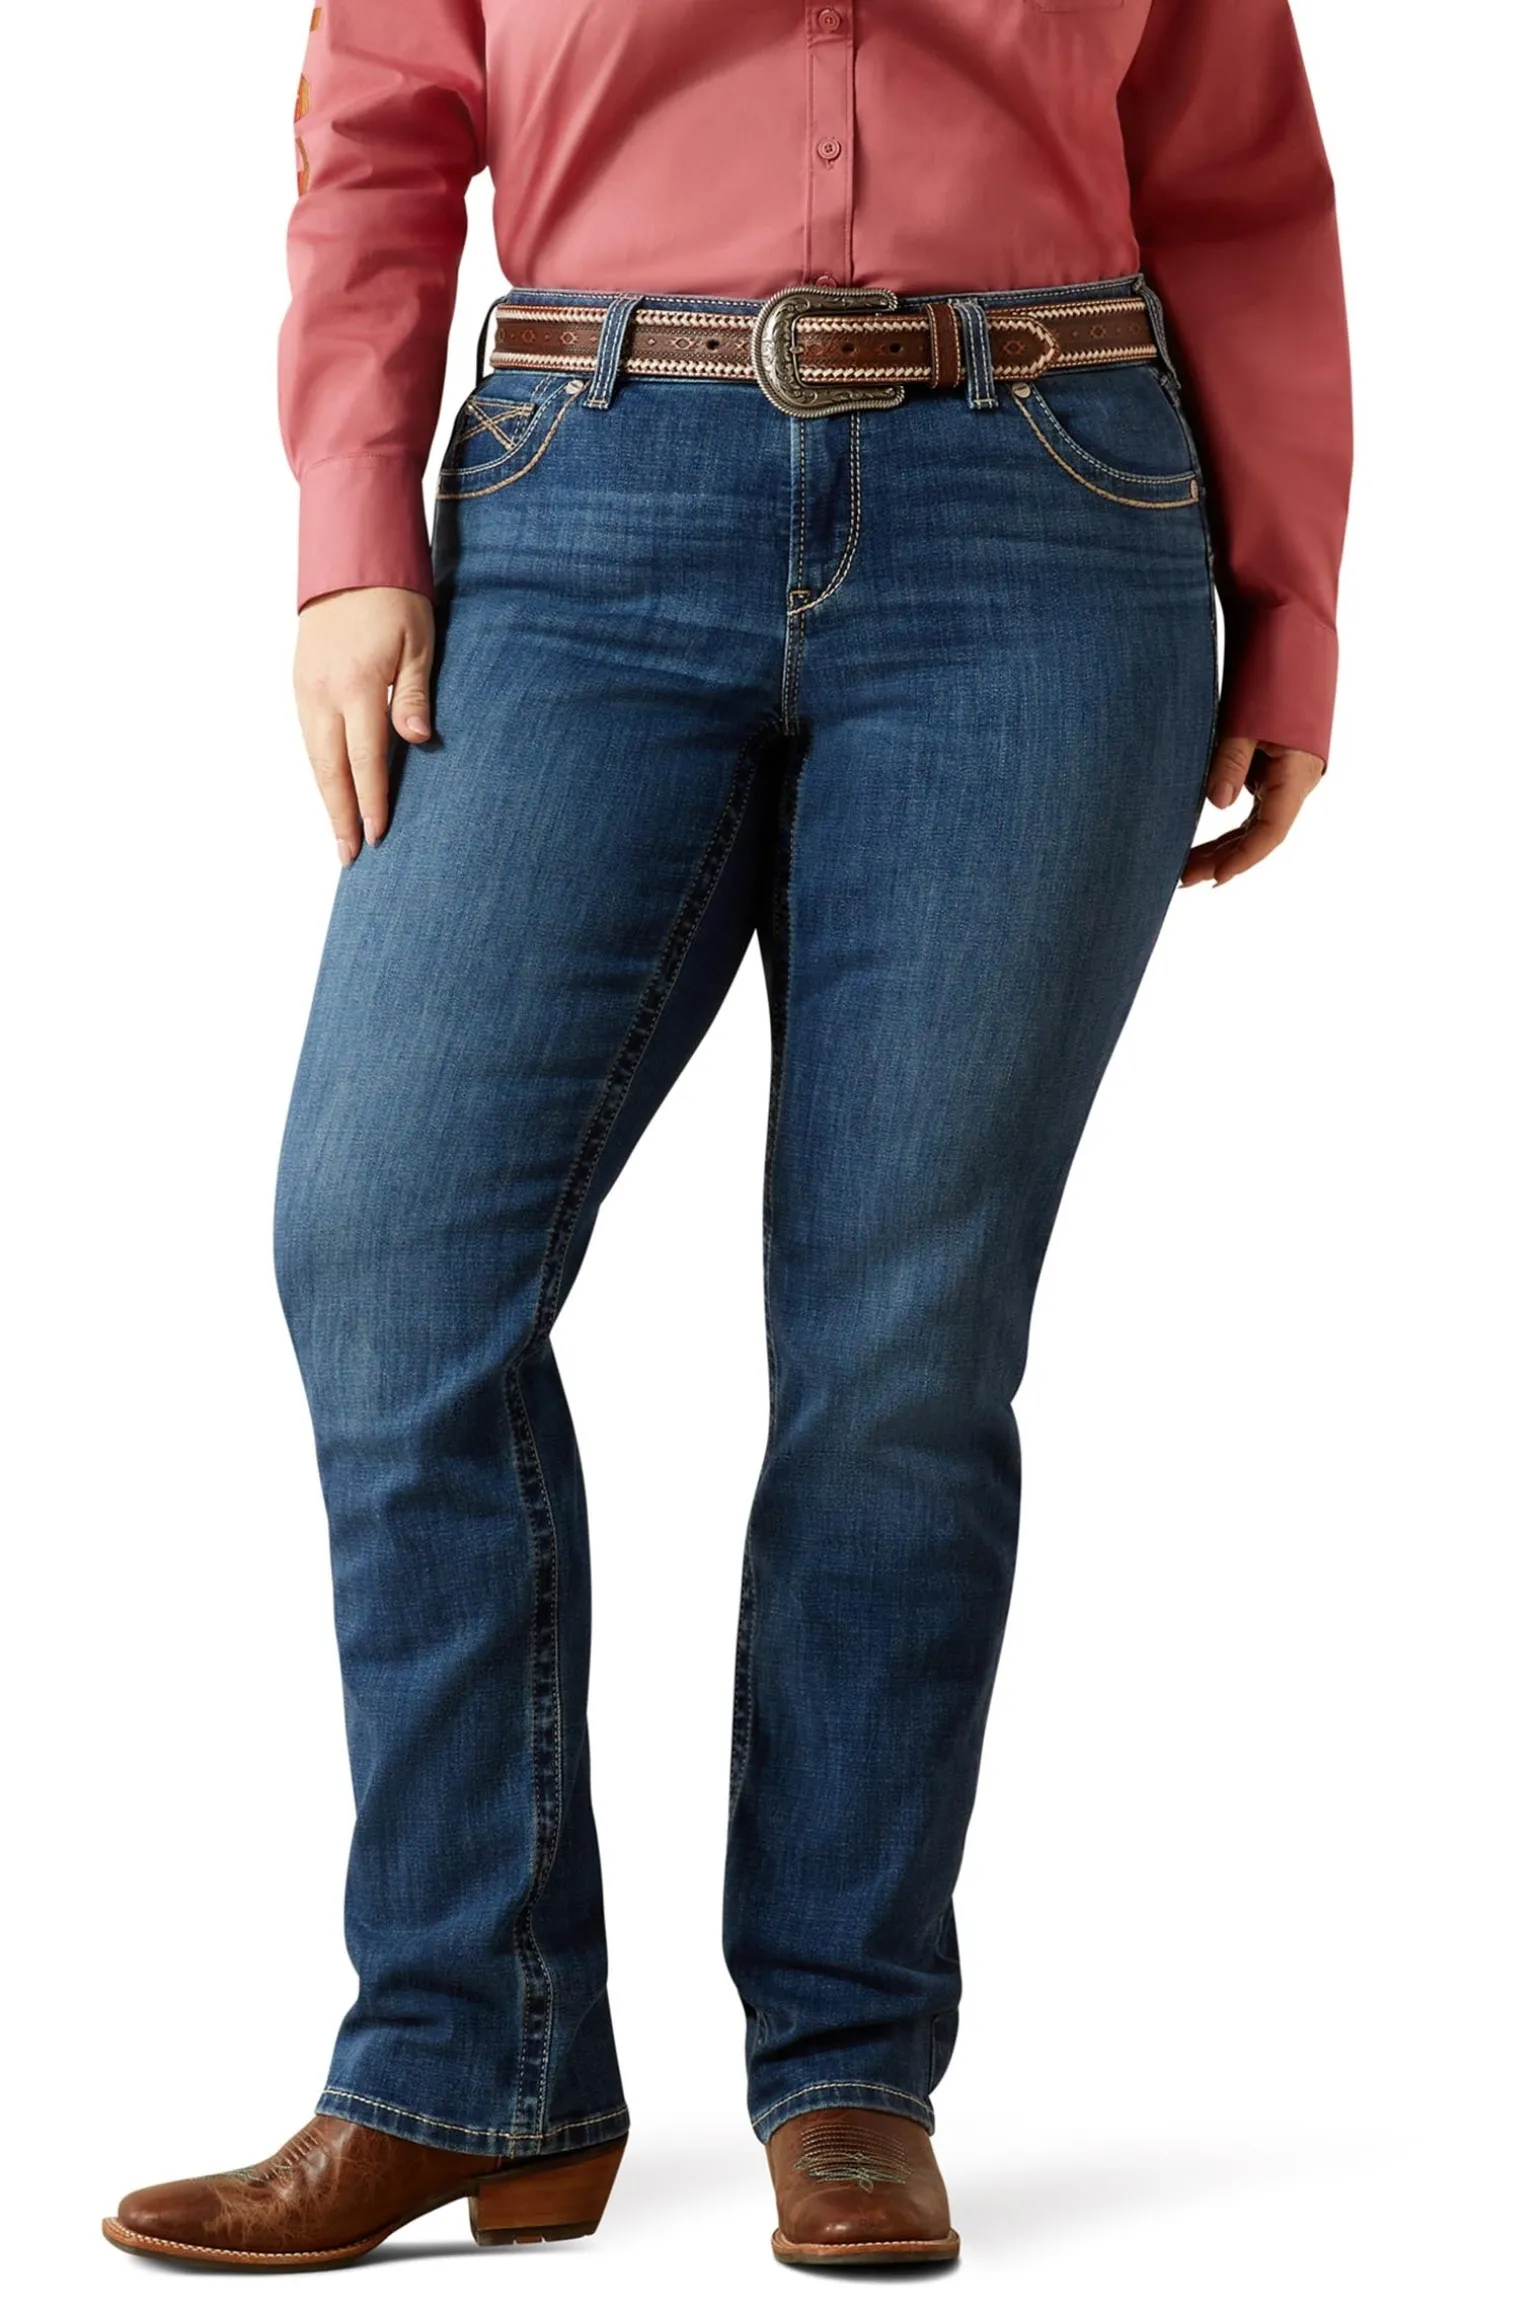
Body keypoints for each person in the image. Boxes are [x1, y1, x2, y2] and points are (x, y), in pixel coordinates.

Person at [102, 0, 1351, 2272]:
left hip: (1043, 508)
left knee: (902, 1342)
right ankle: (470, 2059)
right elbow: (379, 128)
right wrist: (349, 527)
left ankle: (850, 2068)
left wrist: (1288, 603)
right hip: (579, 497)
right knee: (384, 1240)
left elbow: (1239, 172)